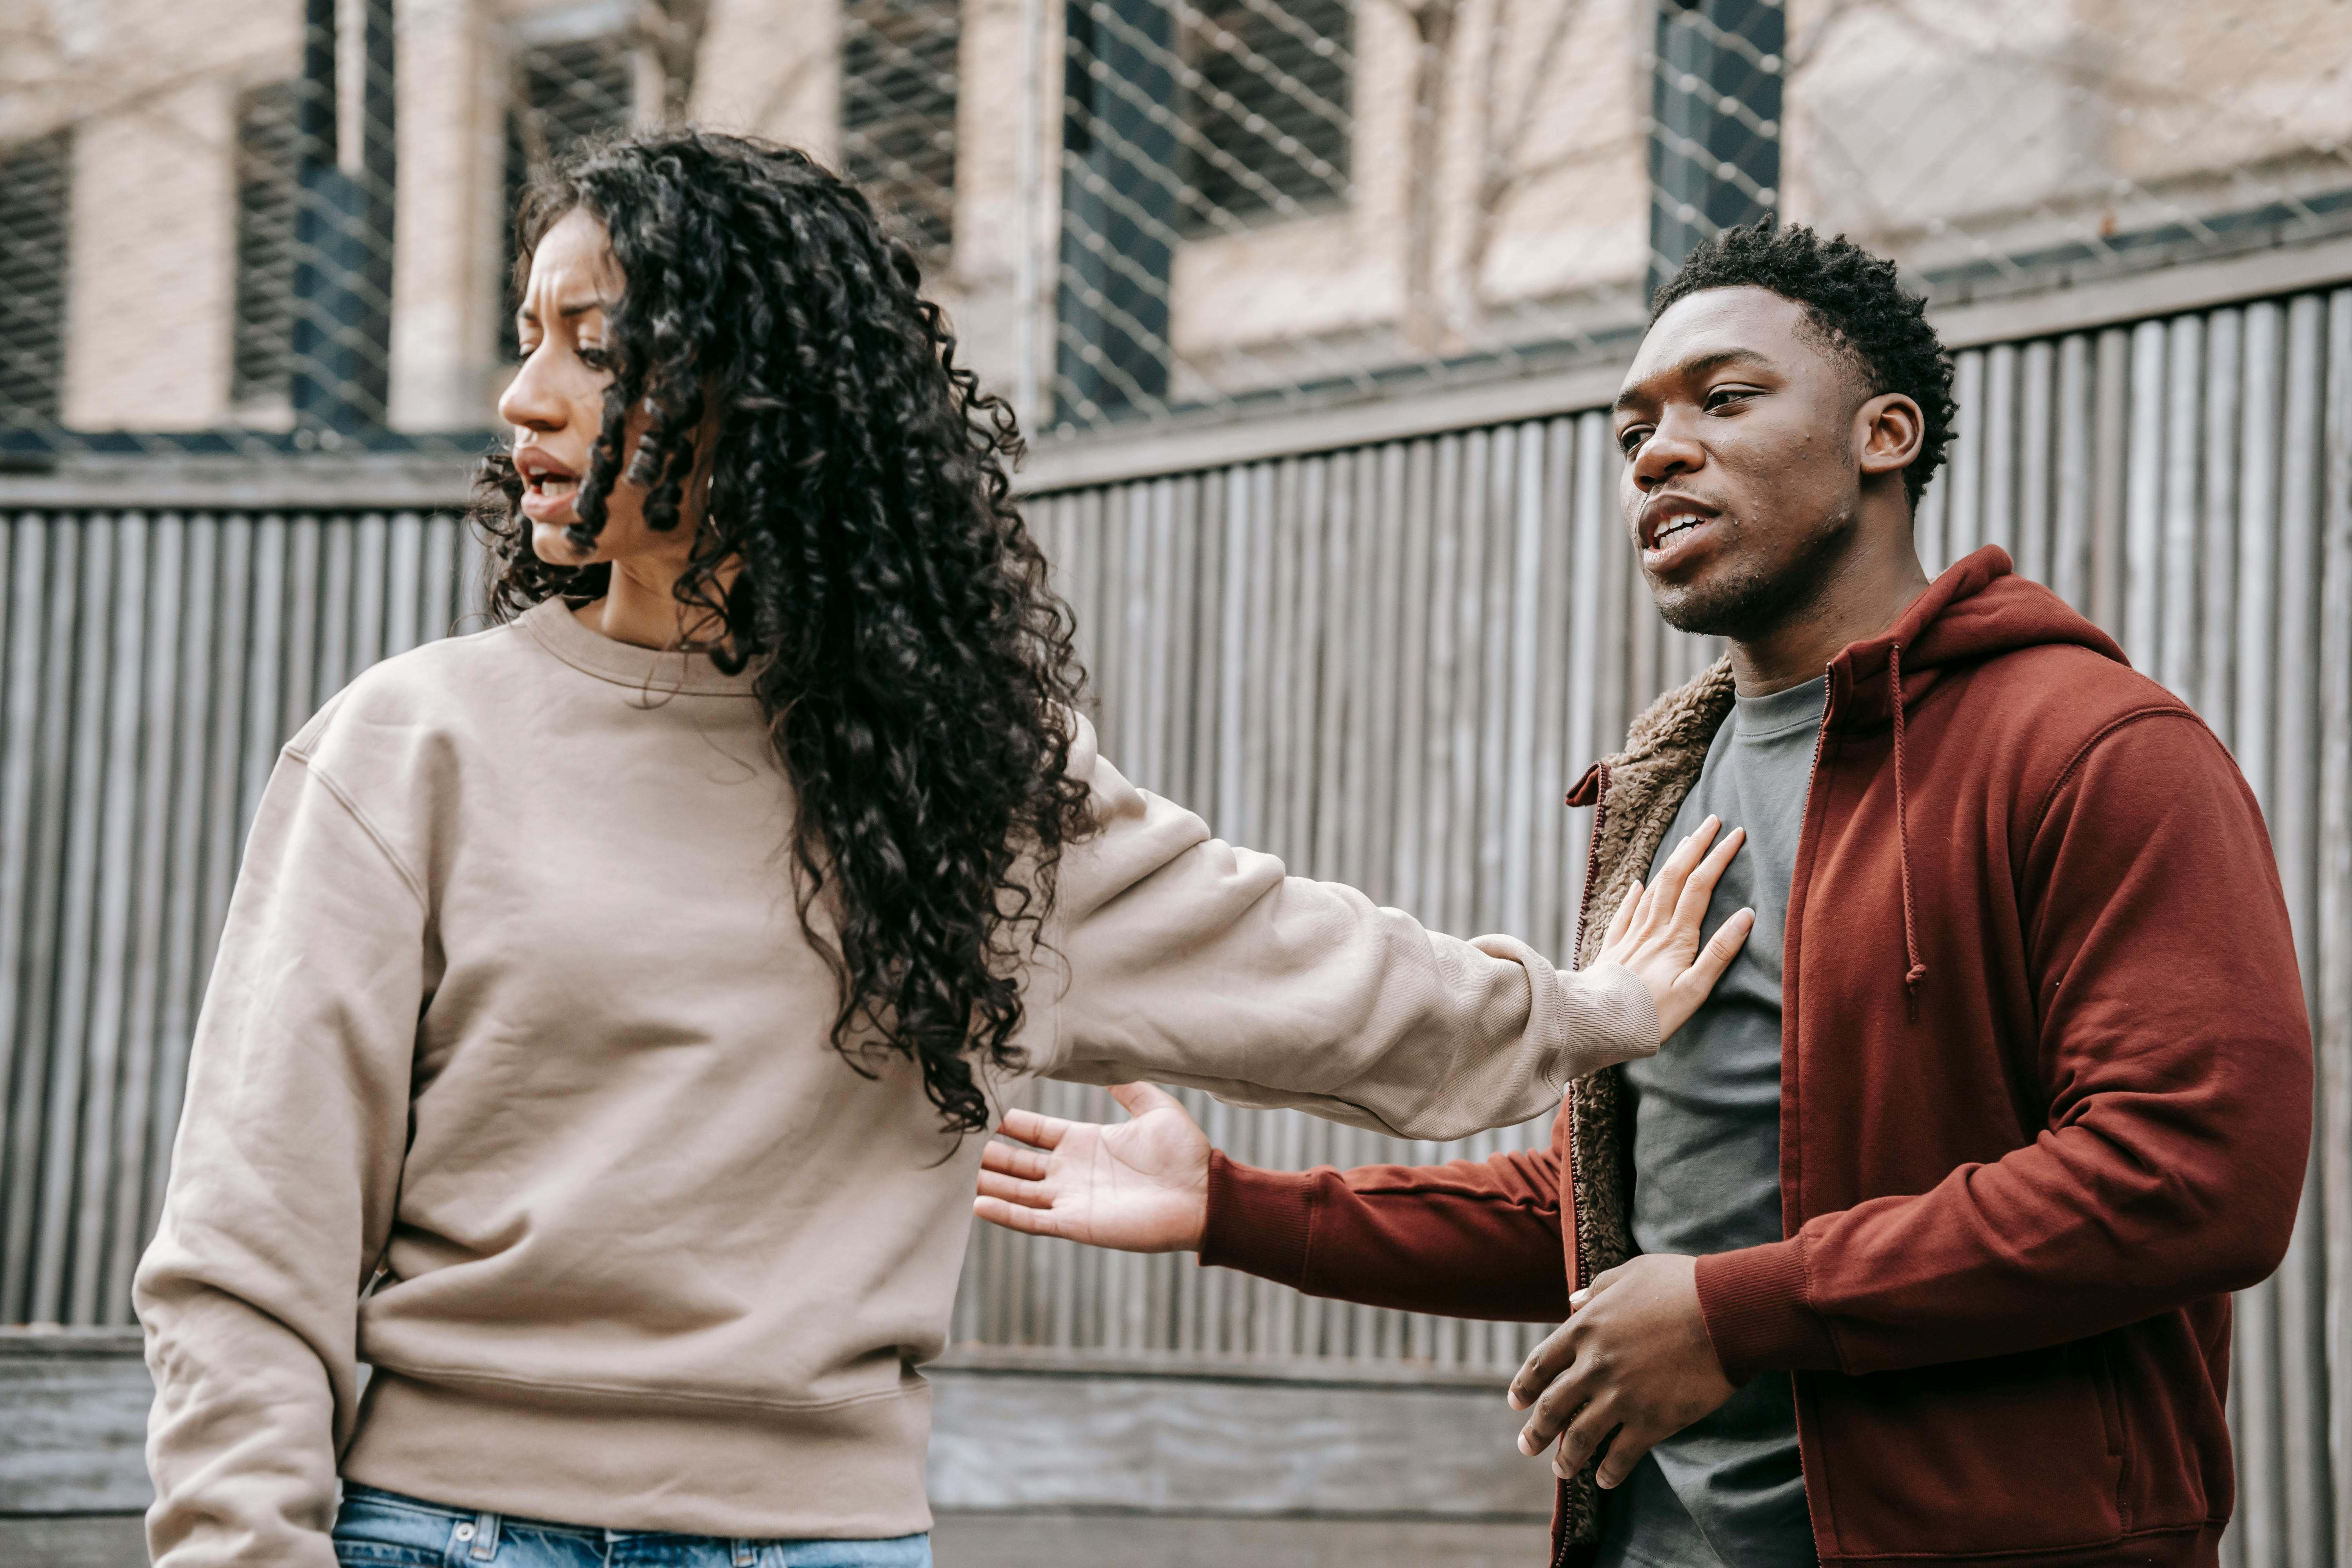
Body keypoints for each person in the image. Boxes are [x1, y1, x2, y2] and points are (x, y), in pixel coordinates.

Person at [131, 130, 1752, 1568]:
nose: (523, 397)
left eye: (594, 346)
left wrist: (1591, 1005)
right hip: (447, 1532)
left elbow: (1309, 970)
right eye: (526, 340)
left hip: (822, 1542)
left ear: (758, 389)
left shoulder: (962, 788)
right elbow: (248, 1245)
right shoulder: (409, 747)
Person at [976, 223, 2314, 1568]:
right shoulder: (1671, 785)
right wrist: (1232, 1206)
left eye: (1725, 401)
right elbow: (1619, 1212)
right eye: (1633, 435)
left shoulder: (2093, 749)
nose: (1660, 455)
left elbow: (2196, 1178)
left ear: (1885, 434)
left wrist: (1739, 1312)